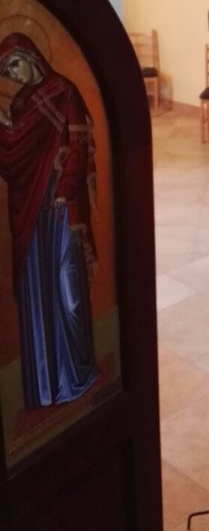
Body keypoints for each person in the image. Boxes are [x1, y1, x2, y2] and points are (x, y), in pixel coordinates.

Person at [0, 32, 99, 409]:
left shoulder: (63, 91)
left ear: (31, 56)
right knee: (37, 290)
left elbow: (80, 141)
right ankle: (45, 386)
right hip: (31, 210)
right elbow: (13, 158)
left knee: (68, 289)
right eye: (7, 71)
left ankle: (79, 372)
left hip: (60, 206)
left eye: (15, 64)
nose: (13, 75)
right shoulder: (21, 103)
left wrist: (67, 187)